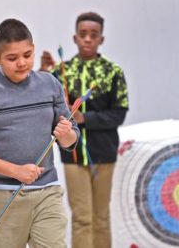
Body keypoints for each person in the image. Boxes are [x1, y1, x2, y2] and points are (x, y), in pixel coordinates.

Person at [0, 18, 79, 248]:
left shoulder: (50, 84)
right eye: (12, 58)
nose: (22, 63)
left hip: (47, 190)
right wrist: (15, 171)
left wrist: (66, 134)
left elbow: (71, 138)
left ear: (33, 50)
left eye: (27, 55)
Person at [40, 12, 129, 248]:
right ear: (74, 38)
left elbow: (118, 114)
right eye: (83, 35)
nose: (87, 39)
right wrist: (42, 70)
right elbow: (42, 102)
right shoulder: (62, 72)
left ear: (101, 39)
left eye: (93, 35)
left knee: (100, 217)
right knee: (81, 218)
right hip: (73, 154)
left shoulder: (113, 72)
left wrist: (84, 117)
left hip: (104, 153)